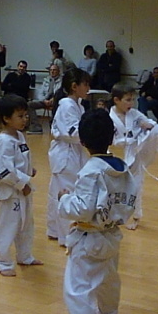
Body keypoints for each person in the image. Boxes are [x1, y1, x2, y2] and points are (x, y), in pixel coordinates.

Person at [54, 108, 138, 314]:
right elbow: (127, 201)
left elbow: (82, 209)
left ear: (81, 141)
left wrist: (64, 199)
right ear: (112, 137)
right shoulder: (122, 167)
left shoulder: (91, 170)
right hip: (112, 234)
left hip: (89, 237)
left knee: (77, 290)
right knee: (109, 279)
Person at [108, 81, 158, 229]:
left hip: (140, 147)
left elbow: (149, 122)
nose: (131, 103)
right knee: (130, 185)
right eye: (128, 100)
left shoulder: (134, 113)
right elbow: (109, 140)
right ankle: (129, 215)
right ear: (116, 100)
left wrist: (148, 125)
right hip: (121, 155)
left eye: (133, 99)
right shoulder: (109, 118)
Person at [0, 94, 42, 276]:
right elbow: (3, 171)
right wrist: (22, 183)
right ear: (6, 118)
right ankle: (4, 263)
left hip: (23, 190)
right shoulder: (4, 142)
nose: (25, 119)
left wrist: (29, 169)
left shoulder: (19, 136)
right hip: (10, 192)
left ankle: (25, 256)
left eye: (25, 115)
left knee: (26, 224)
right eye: (20, 116)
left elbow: (19, 161)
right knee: (9, 227)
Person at [47, 68, 92, 245]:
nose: (88, 88)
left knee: (56, 192)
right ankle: (67, 236)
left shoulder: (77, 105)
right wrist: (93, 132)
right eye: (85, 84)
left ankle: (53, 229)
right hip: (66, 155)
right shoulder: (67, 105)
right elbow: (73, 133)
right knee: (67, 193)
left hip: (71, 152)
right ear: (74, 86)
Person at [26, 63, 62, 134]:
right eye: (51, 70)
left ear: (58, 71)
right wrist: (44, 100)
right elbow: (40, 93)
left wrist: (54, 99)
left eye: (54, 70)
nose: (52, 71)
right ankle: (35, 126)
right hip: (45, 101)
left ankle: (54, 124)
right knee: (29, 104)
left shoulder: (62, 81)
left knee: (57, 106)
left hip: (56, 102)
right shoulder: (46, 80)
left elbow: (61, 94)